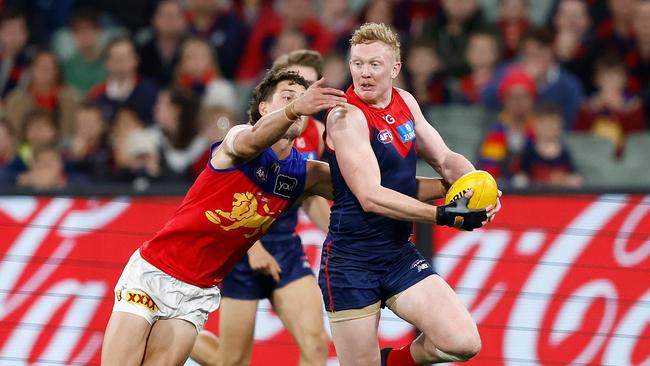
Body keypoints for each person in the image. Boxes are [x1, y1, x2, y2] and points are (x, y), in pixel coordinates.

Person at [101, 69, 348, 366]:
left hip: (196, 294)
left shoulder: (305, 174)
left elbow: (368, 187)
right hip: (153, 273)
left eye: (303, 98)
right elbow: (255, 139)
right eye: (288, 97)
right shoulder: (237, 138)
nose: (299, 103)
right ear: (264, 109)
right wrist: (296, 107)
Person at [320, 23, 500, 366]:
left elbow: (445, 159)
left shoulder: (405, 101)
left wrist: (479, 184)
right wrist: (440, 215)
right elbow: (370, 196)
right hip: (351, 263)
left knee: (463, 342)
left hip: (397, 254)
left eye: (375, 64)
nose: (364, 73)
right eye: (357, 63)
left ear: (395, 69)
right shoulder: (345, 117)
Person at [190, 50, 332, 366]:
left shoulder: (317, 134)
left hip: (284, 247)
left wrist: (340, 231)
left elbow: (310, 198)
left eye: (307, 88)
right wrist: (252, 249)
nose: (301, 97)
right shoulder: (250, 137)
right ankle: (174, 329)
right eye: (291, 90)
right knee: (231, 361)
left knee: (317, 343)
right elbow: (224, 199)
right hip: (241, 249)